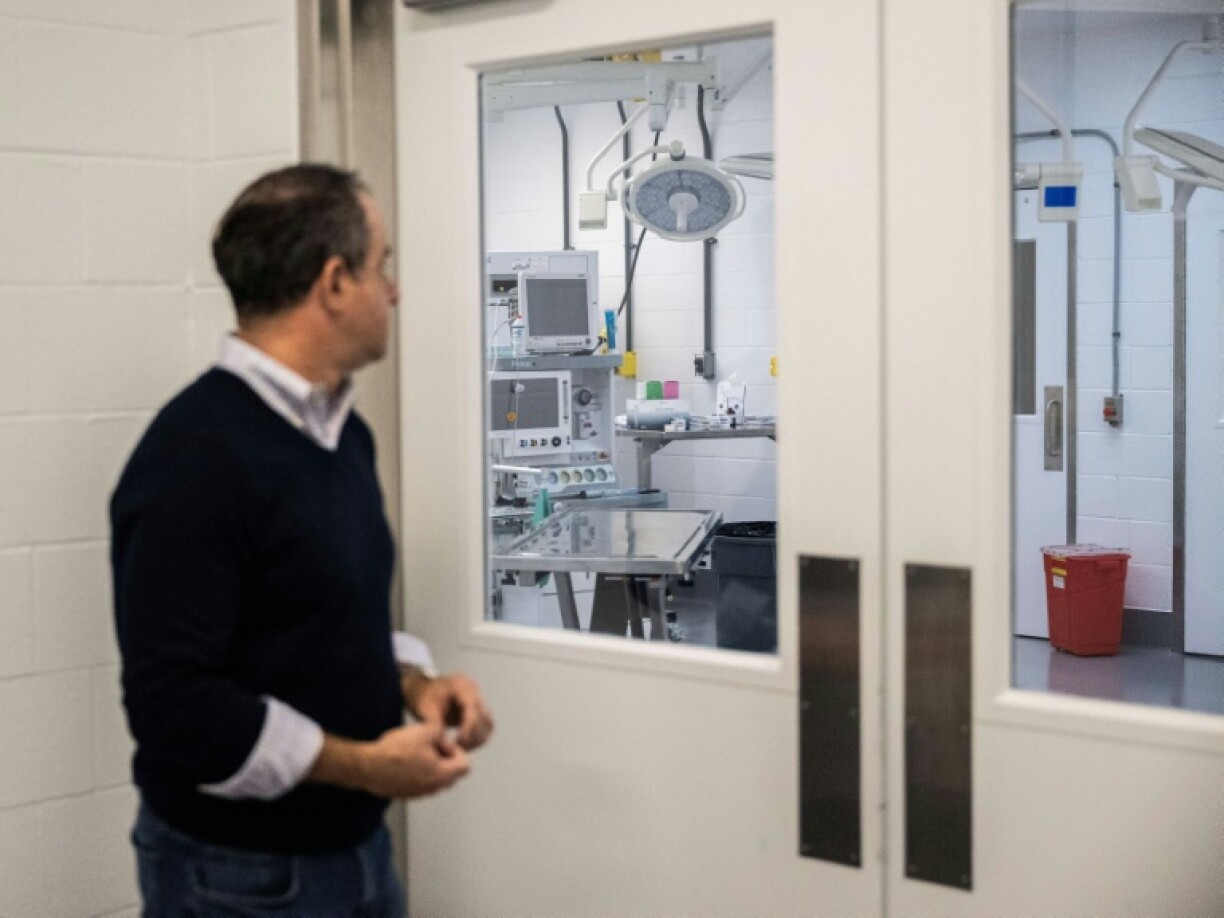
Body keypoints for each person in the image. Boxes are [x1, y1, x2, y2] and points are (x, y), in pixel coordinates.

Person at [110, 164, 493, 916]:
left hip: (355, 853)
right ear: (334, 283)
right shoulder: (195, 458)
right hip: (237, 877)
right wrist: (363, 767)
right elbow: (174, 707)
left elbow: (323, 618)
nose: (395, 290)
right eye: (382, 266)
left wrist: (418, 687)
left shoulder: (342, 435)